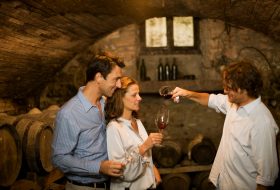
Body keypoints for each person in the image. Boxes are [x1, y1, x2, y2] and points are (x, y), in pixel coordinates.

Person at [171, 61, 279, 190]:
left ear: (244, 89)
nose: (224, 91)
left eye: (229, 88)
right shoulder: (234, 104)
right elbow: (210, 99)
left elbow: (266, 177)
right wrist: (186, 93)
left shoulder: (262, 122)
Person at [52, 53, 126, 190]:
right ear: (99, 77)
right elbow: (59, 159)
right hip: (83, 187)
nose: (119, 85)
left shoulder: (105, 104)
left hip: (109, 184)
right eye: (116, 79)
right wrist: (99, 167)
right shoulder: (69, 113)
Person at [105, 76, 163, 190]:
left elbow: (145, 157)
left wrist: (153, 171)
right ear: (120, 98)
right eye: (134, 95)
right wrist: (145, 146)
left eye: (139, 94)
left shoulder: (137, 122)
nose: (140, 98)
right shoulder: (114, 128)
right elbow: (122, 172)